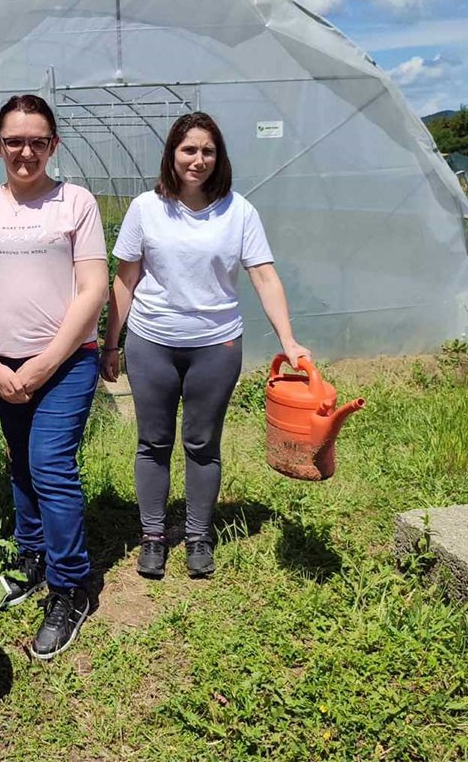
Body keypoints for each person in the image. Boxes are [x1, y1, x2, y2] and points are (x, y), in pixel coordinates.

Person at [100, 112, 310, 580]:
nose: (198, 160)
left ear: (220, 158)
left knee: (202, 444)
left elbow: (264, 276)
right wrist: (111, 343)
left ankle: (198, 536)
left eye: (208, 151)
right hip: (152, 342)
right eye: (188, 149)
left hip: (215, 347)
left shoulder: (238, 211)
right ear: (172, 154)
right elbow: (126, 279)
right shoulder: (145, 209)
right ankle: (152, 537)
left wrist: (289, 341)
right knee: (152, 442)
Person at [0, 94, 109, 659]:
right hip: (5, 362)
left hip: (67, 362)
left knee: (50, 464)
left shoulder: (76, 203)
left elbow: (93, 288)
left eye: (38, 141)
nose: (26, 152)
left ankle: (71, 586)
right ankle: (33, 556)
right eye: (14, 141)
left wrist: (46, 362)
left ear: (54, 145)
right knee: (21, 463)